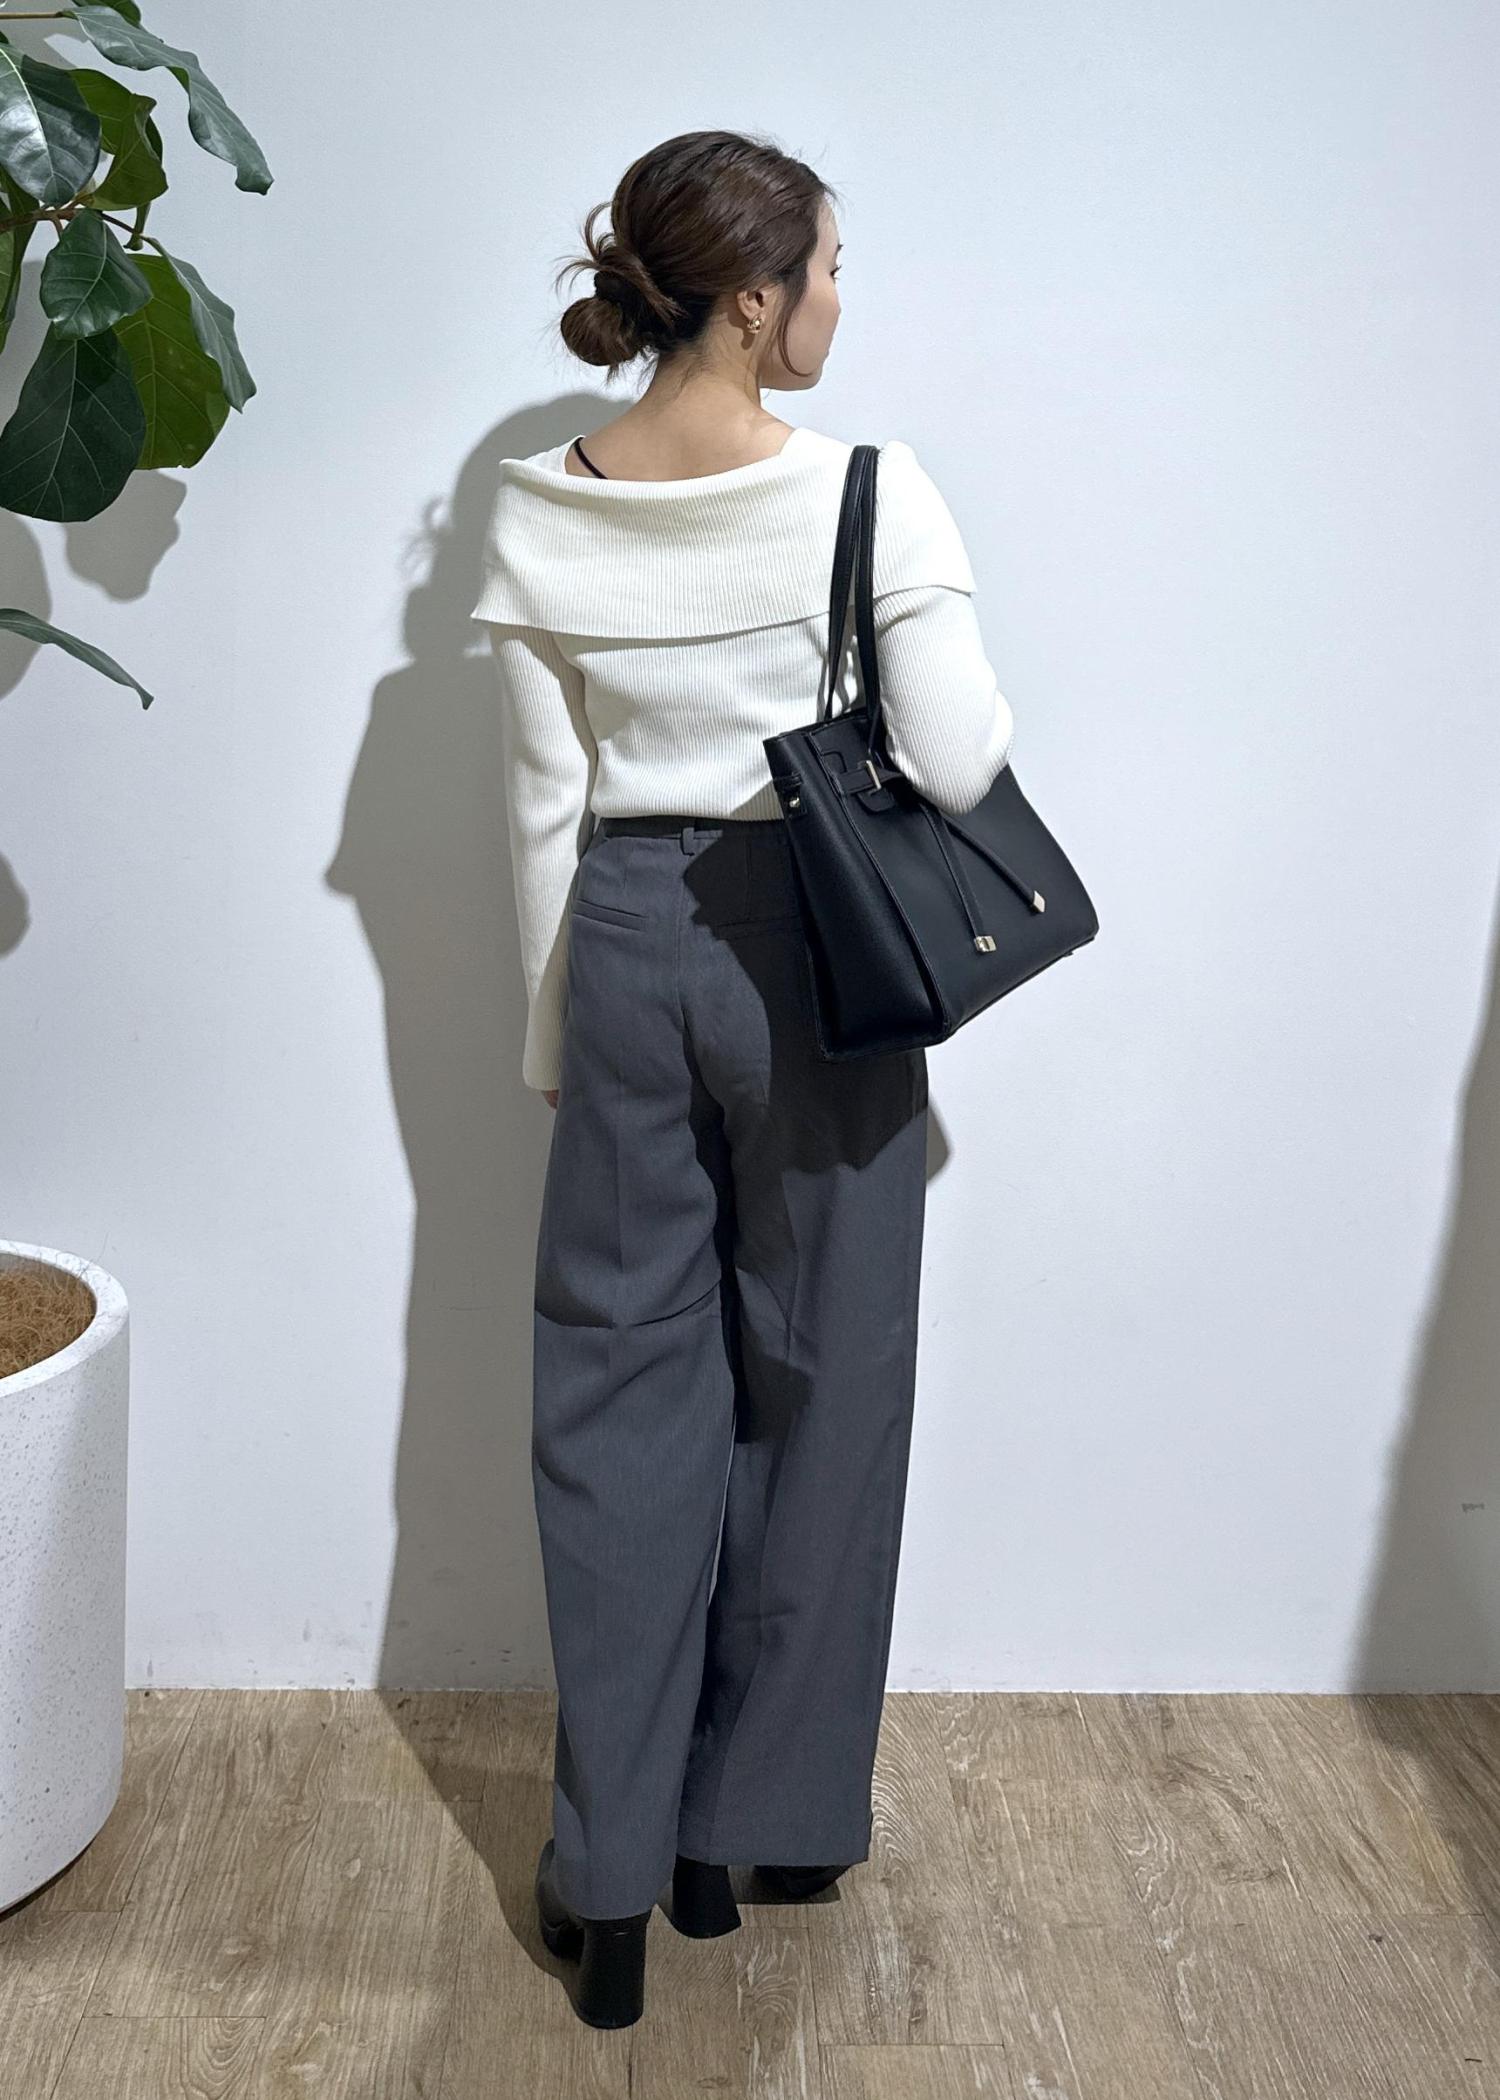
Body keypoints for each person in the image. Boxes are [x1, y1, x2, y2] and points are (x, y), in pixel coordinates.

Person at [470, 128, 1014, 2029]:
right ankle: (752, 1830)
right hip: (819, 961)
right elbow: (955, 760)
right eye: (831, 269)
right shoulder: (870, 490)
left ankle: (612, 1878)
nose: (841, 302)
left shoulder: (542, 506)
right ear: (758, 296)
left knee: (617, 1399)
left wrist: (561, 1037)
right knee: (826, 1380)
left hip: (622, 943)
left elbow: (544, 802)